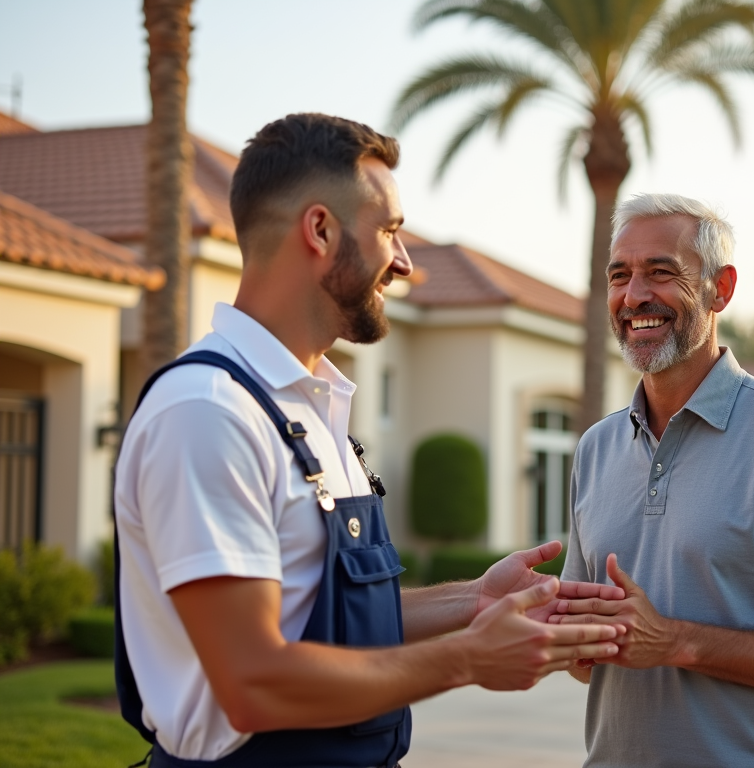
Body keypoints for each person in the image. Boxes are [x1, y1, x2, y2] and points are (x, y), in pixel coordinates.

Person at [114, 113, 625, 768]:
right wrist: (469, 659)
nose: (406, 263)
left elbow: (325, 621)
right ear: (320, 229)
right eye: (389, 231)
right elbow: (252, 684)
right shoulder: (208, 415)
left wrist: (475, 600)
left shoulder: (307, 405)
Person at [550, 194, 754, 767]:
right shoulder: (596, 447)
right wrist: (554, 629)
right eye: (620, 276)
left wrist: (675, 641)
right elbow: (589, 657)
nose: (634, 297)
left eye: (661, 272)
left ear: (719, 289)